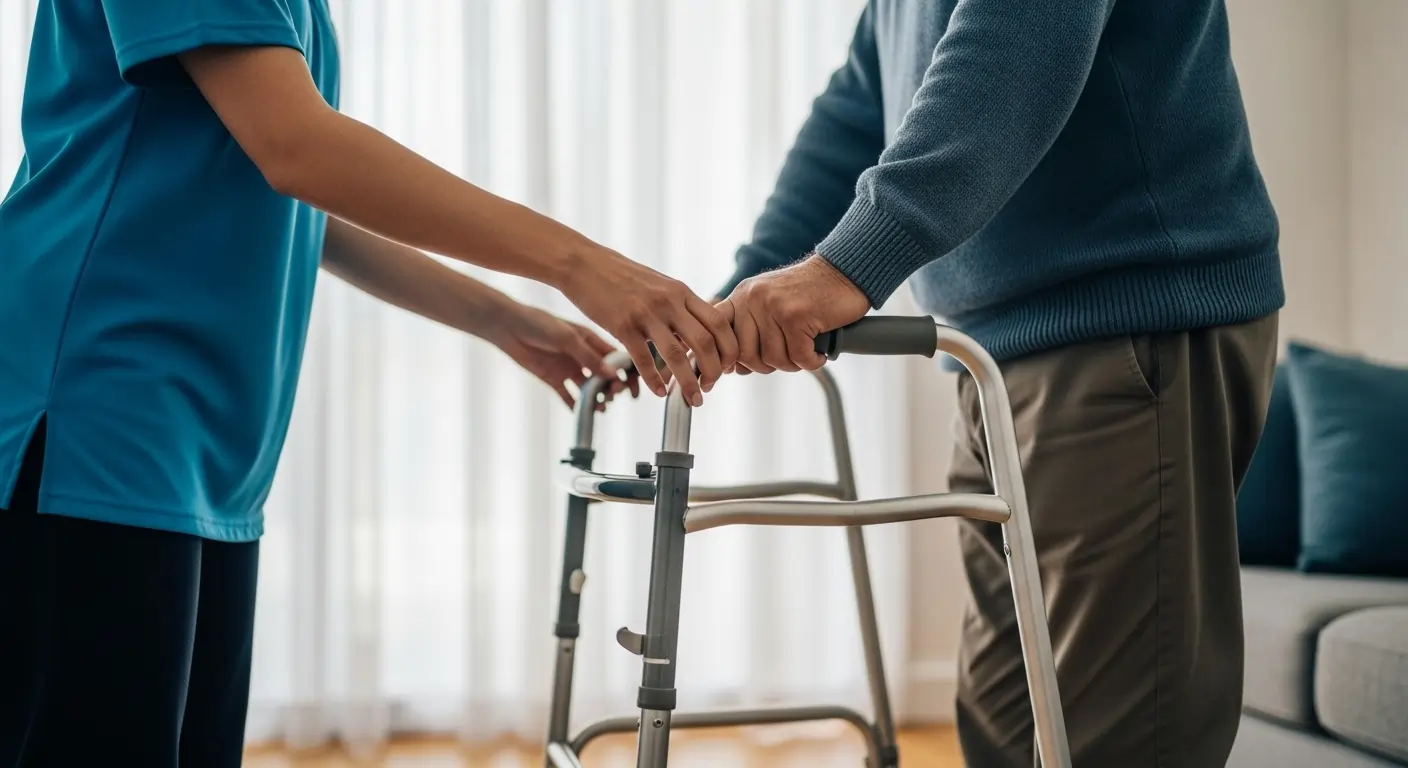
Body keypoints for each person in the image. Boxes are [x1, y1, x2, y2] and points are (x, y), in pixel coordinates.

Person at [0, 1, 736, 765]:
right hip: (95, 403)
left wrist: (503, 318)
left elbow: (291, 194)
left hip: (203, 440)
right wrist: (578, 264)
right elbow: (297, 150)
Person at [715, 1, 1282, 766]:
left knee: (1115, 736)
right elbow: (858, 113)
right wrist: (737, 300)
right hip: (993, 349)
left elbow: (1016, 43)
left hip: (1118, 318)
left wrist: (850, 265)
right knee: (1008, 722)